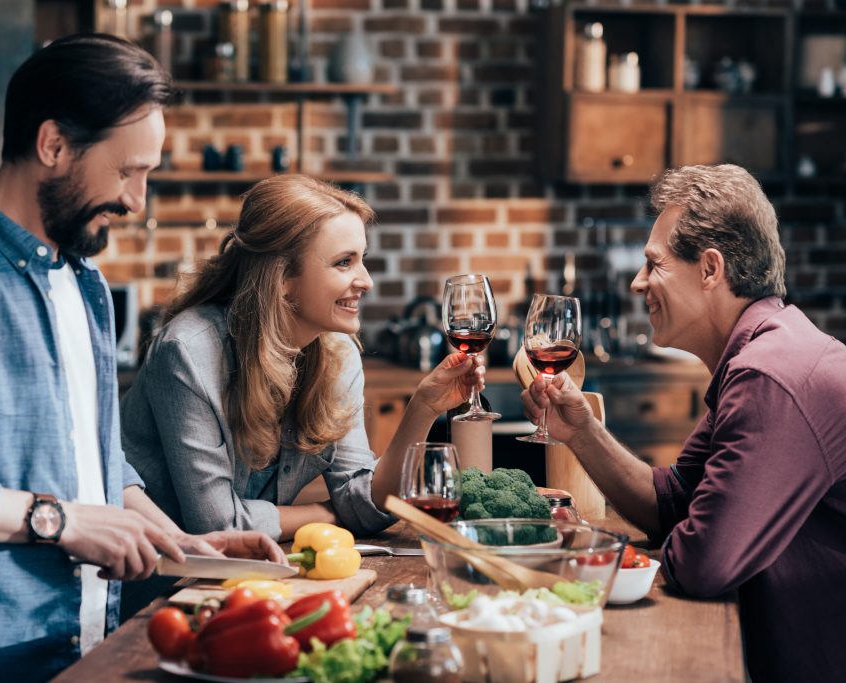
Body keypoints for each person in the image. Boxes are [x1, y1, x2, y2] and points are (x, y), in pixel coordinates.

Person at [0, 34, 281, 683]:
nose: (138, 200)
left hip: (76, 650)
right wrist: (60, 520)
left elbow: (97, 461)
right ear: (53, 145)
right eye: (129, 171)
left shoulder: (85, 284)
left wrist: (179, 543)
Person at [521, 164, 846, 683]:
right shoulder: (762, 354)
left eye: (654, 263)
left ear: (710, 268)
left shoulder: (769, 377)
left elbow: (702, 564)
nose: (637, 282)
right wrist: (581, 430)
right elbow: (673, 502)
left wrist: (618, 545)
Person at [121, 175, 483, 544]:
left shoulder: (337, 352)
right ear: (282, 277)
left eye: (363, 260)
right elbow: (218, 524)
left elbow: (363, 503)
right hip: (155, 582)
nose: (366, 281)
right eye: (344, 262)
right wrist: (329, 513)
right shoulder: (188, 352)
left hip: (249, 572)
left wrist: (423, 407)